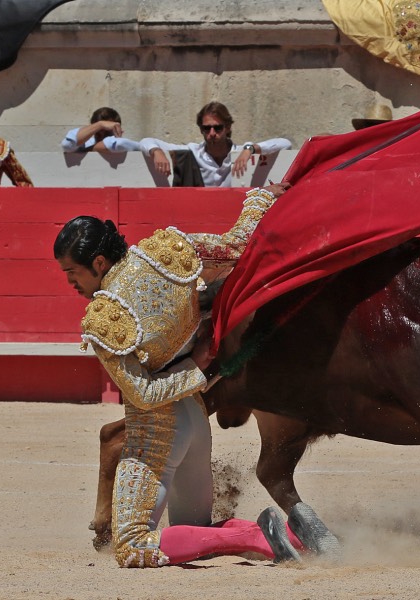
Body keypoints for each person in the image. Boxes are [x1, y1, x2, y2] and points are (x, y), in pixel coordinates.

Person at [53, 185, 338, 567]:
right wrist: (261, 198)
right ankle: (291, 535)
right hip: (195, 426)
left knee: (134, 546)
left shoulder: (103, 317)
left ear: (100, 263)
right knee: (196, 528)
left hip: (157, 438)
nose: (70, 283)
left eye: (72, 272)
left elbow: (143, 394)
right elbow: (238, 245)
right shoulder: (167, 251)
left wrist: (197, 369)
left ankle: (255, 536)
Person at [140, 101, 291, 187]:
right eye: (207, 128)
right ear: (201, 129)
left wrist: (249, 149)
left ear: (228, 127)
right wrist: (156, 151)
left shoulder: (240, 151)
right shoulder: (192, 152)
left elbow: (285, 144)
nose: (212, 133)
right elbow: (146, 141)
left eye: (217, 127)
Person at [60, 106, 142, 153]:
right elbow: (67, 145)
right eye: (98, 130)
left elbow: (119, 144)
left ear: (119, 130)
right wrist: (100, 124)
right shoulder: (86, 143)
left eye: (107, 131)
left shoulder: (126, 144)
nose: (102, 135)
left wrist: (87, 150)